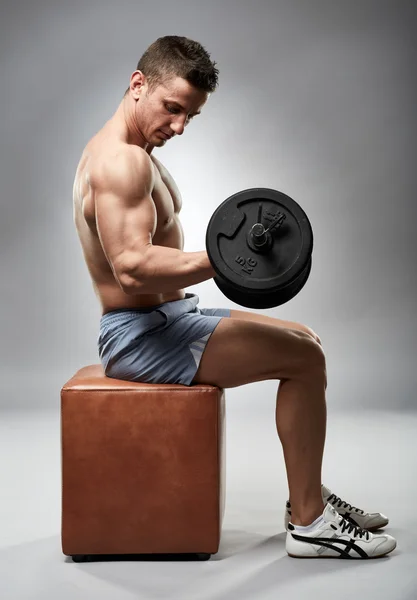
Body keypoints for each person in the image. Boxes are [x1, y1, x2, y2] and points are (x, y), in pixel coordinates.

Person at [73, 36, 397, 559]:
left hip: (169, 318)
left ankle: (306, 497)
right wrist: (226, 258)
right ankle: (311, 523)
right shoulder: (121, 163)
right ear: (138, 85)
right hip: (141, 338)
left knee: (304, 338)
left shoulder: (136, 153)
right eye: (172, 109)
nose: (178, 126)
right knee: (305, 359)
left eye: (190, 117)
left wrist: (227, 261)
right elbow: (131, 269)